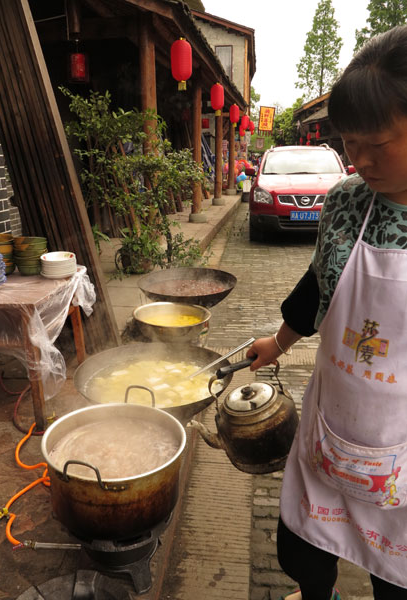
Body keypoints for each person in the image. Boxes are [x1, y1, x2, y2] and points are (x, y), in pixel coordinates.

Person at [246, 25, 407, 600]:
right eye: (349, 141)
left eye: (376, 142)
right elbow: (322, 284)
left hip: (403, 442)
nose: (357, 159)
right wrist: (279, 340)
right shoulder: (344, 201)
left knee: (397, 574)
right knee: (304, 547)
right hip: (333, 419)